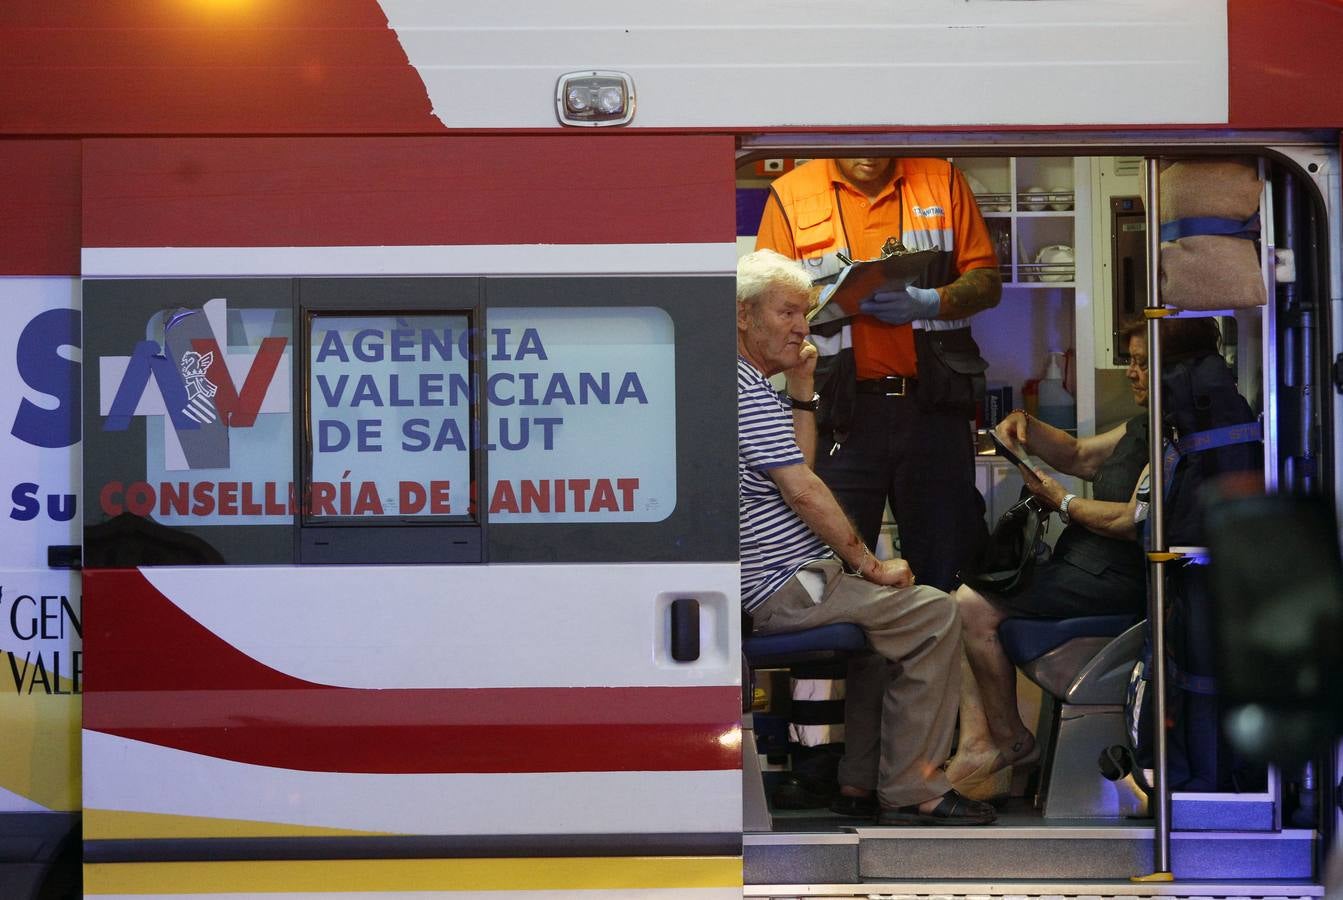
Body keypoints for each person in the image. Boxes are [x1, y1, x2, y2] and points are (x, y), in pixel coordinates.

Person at [737, 249, 995, 826]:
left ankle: (860, 783)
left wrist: (803, 386)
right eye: (788, 313)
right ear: (742, 316)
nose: (803, 327)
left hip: (791, 575)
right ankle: (914, 788)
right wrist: (869, 566)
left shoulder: (750, 383)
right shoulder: (739, 388)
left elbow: (798, 466)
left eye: (805, 314)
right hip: (779, 584)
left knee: (887, 632)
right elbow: (804, 491)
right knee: (931, 613)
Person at [946, 316, 1224, 799]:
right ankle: (981, 741)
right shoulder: (1146, 424)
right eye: (1131, 362)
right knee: (967, 594)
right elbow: (1078, 455)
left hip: (1119, 575)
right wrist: (1027, 427)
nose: (1132, 373)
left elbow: (1131, 519)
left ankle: (1010, 741)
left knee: (971, 603)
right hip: (1083, 564)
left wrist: (1064, 503)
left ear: (1177, 370)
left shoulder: (1183, 437)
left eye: (1142, 364)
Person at [755, 156, 1001, 593]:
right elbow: (764, 299)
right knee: (835, 565)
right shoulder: (792, 193)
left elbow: (987, 281)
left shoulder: (940, 179)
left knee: (950, 559)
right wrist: (829, 295)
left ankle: (940, 658)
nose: (868, 153)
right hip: (839, 415)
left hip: (933, 410)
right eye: (854, 141)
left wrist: (929, 301)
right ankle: (855, 663)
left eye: (880, 140)